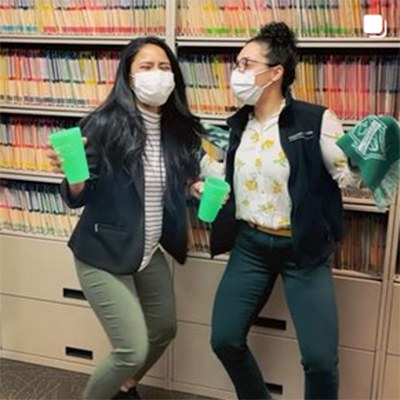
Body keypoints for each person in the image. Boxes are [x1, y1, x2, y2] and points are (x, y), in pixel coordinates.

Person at [193, 22, 362, 400]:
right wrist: (200, 182)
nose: (237, 73)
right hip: (250, 245)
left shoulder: (316, 121)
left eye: (246, 64)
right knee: (224, 339)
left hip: (302, 250)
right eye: (236, 64)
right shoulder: (237, 125)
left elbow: (348, 176)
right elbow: (224, 174)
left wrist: (368, 157)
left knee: (319, 360)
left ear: (276, 72)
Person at [47, 36, 203, 400]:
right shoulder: (103, 124)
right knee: (131, 349)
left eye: (165, 67)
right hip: (102, 253)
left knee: (163, 330)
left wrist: (193, 186)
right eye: (146, 67)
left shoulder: (176, 131)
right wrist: (75, 178)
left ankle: (124, 386)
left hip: (147, 250)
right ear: (128, 77)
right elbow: (78, 197)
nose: (158, 74)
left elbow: (175, 180)